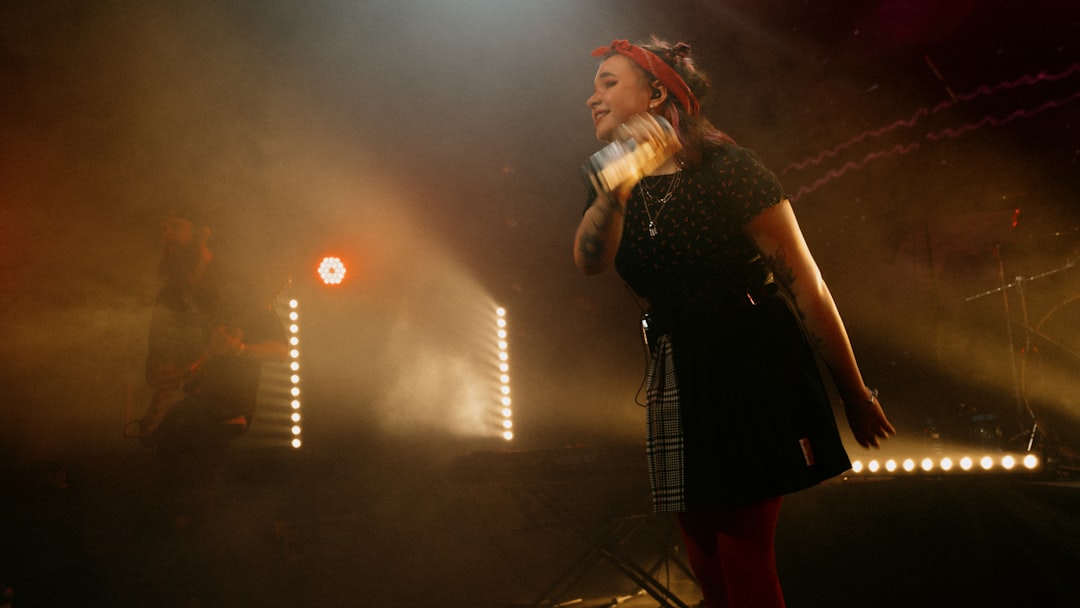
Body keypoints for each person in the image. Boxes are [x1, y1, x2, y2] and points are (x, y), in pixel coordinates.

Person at [573, 38, 896, 607]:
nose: (591, 98)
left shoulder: (726, 167)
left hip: (747, 359)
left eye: (608, 82)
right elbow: (588, 261)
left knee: (743, 555)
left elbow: (806, 283)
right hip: (677, 365)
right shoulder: (613, 182)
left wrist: (854, 392)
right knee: (704, 559)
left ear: (656, 92)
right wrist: (617, 187)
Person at [135, 214, 288, 606]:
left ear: (203, 232)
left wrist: (239, 350)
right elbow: (155, 362)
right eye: (165, 227)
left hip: (223, 407)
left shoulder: (236, 286)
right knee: (163, 514)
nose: (167, 235)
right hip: (183, 410)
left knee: (196, 510)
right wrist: (160, 375)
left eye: (175, 226)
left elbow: (280, 349)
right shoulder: (168, 296)